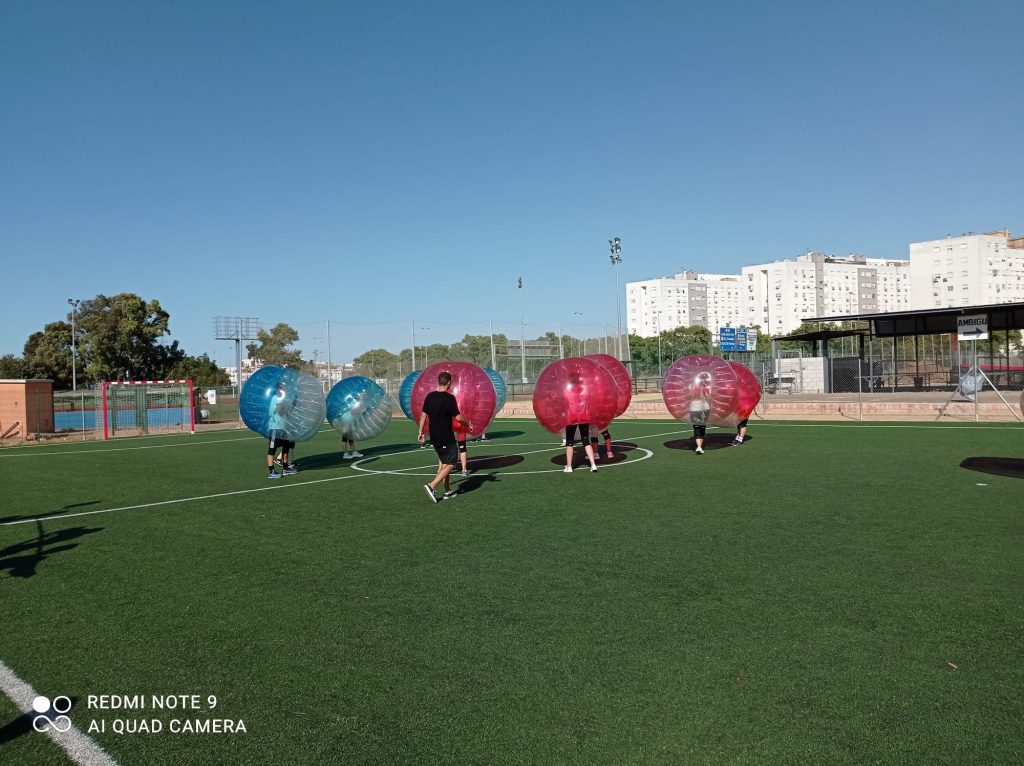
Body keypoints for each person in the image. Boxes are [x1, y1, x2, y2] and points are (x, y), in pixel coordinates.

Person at [418, 372, 471, 503]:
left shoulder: (429, 396)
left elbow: (423, 415)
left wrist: (421, 432)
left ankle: (447, 491)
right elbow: (458, 417)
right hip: (446, 437)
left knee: (445, 463)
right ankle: (432, 486)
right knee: (451, 463)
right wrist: (468, 423)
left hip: (434, 437)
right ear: (448, 383)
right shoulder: (449, 398)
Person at [267, 381, 297, 478]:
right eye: (284, 388)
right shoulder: (275, 399)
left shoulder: (283, 399)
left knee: (286, 448)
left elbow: (288, 411)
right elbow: (281, 412)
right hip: (275, 428)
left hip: (283, 427)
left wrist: (293, 403)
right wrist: (289, 403)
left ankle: (285, 468)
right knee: (272, 450)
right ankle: (271, 471)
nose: (286, 390)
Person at [689, 372, 711, 455]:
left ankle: (699, 447)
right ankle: (699, 446)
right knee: (702, 427)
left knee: (697, 428)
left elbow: (688, 397)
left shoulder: (690, 387)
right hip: (704, 408)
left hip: (694, 408)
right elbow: (708, 397)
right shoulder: (705, 387)